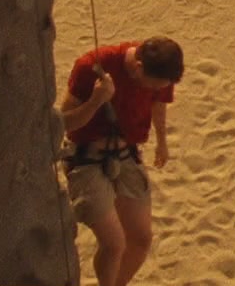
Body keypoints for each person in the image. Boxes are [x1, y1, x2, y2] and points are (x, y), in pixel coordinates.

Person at [59, 37, 185, 286]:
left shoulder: (161, 72)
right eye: (152, 85)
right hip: (86, 160)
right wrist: (96, 100)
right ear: (138, 67)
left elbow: (159, 104)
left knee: (140, 238)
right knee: (114, 243)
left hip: (126, 155)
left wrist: (162, 141)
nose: (154, 90)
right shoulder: (91, 66)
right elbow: (65, 123)